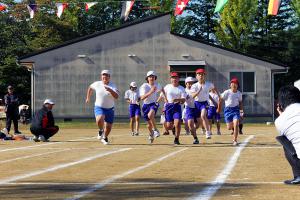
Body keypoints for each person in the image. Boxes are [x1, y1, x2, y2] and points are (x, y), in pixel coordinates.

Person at [86, 69, 119, 145]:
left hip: (110, 109)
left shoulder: (112, 85)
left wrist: (110, 90)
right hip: (99, 107)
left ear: (109, 77)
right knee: (100, 118)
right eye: (103, 75)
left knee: (109, 127)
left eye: (106, 75)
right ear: (101, 76)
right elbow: (90, 88)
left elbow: (116, 96)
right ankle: (101, 130)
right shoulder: (97, 84)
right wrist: (88, 97)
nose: (105, 76)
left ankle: (105, 137)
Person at [275, 85, 300, 185]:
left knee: (284, 140)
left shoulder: (279, 121)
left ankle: (298, 175)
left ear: (280, 104)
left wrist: (282, 115)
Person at [191, 68, 218, 139]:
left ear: (204, 76)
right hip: (196, 104)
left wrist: (219, 96)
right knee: (197, 124)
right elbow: (192, 96)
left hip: (205, 103)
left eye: (202, 74)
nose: (201, 76)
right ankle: (193, 131)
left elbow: (214, 88)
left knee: (203, 116)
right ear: (196, 76)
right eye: (199, 74)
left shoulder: (209, 84)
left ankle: (208, 132)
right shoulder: (194, 86)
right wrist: (198, 91)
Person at [139, 71, 164, 143]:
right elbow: (142, 98)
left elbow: (162, 89)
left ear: (155, 78)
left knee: (150, 115)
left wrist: (165, 98)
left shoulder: (157, 85)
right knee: (148, 125)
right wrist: (151, 91)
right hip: (145, 105)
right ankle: (151, 133)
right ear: (147, 78)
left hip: (153, 104)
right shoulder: (144, 86)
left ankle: (156, 130)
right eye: (150, 77)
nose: (151, 78)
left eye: (153, 77)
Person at [218, 78, 243, 146]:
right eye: (232, 83)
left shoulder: (239, 93)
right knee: (229, 127)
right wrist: (218, 108)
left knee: (236, 123)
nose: (234, 85)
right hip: (228, 110)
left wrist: (241, 112)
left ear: (237, 85)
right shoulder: (227, 92)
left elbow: (240, 103)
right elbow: (220, 99)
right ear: (230, 85)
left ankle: (235, 140)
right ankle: (233, 129)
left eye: (235, 83)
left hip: (235, 110)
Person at [163, 72, 186, 145]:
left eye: (176, 78)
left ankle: (176, 139)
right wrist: (165, 103)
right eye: (173, 78)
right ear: (170, 79)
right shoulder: (167, 87)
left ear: (178, 79)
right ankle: (172, 128)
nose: (174, 79)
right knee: (169, 126)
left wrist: (177, 100)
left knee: (178, 123)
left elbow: (183, 99)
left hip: (176, 107)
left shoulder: (181, 88)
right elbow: (163, 95)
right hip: (168, 107)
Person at [184, 77, 199, 144]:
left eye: (192, 83)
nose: (190, 85)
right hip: (189, 108)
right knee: (190, 124)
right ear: (186, 84)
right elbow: (186, 99)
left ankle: (193, 131)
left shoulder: (196, 89)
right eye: (189, 83)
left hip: (196, 107)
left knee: (198, 125)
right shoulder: (184, 91)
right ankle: (195, 138)